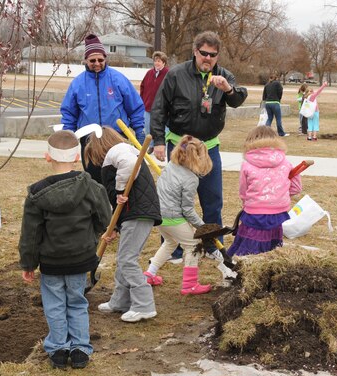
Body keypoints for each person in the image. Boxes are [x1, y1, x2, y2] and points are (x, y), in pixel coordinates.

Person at [150, 31, 248, 259]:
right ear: (195, 51)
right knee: (173, 201)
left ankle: (213, 247)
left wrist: (228, 89)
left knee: (212, 200)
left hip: (208, 148)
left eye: (213, 55)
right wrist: (157, 140)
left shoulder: (224, 76)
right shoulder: (175, 75)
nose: (208, 58)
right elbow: (158, 108)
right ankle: (173, 250)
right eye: (203, 53)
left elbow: (237, 100)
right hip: (180, 148)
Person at [19, 130, 112, 369]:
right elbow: (105, 218)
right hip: (81, 258)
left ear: (47, 157)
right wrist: (96, 235)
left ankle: (59, 348)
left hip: (51, 262)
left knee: (55, 304)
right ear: (78, 158)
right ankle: (80, 348)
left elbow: (30, 233)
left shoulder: (36, 194)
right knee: (77, 302)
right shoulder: (92, 187)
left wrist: (28, 264)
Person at [84, 126, 161, 322]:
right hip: (133, 213)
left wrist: (119, 190)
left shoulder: (119, 151)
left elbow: (129, 165)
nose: (97, 159)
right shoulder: (120, 151)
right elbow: (116, 203)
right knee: (123, 258)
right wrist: (114, 227)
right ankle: (120, 301)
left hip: (138, 213)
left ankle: (144, 305)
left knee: (127, 259)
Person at [144, 135, 236, 294]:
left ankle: (149, 274)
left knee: (170, 243)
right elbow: (187, 209)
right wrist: (203, 227)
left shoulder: (172, 165)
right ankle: (189, 285)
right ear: (197, 158)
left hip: (159, 215)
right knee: (193, 246)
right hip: (173, 217)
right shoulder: (191, 178)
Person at [61, 34, 145, 184]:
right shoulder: (78, 83)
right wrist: (68, 136)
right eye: (92, 60)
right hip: (89, 140)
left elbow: (135, 106)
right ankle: (98, 207)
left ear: (105, 59)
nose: (97, 63)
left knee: (117, 179)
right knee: (94, 181)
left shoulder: (118, 79)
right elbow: (69, 113)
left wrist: (139, 131)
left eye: (100, 60)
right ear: (86, 60)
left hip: (116, 137)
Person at [228, 126, 302, 256]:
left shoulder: (247, 164)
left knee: (250, 246)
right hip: (278, 212)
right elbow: (296, 187)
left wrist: (246, 202)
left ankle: (243, 266)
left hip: (254, 212)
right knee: (271, 247)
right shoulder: (285, 162)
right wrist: (279, 194)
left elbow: (243, 191)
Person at [139, 51, 169, 138]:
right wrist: (143, 101)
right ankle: (151, 145)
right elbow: (143, 87)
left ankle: (164, 146)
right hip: (148, 107)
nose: (157, 63)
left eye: (159, 61)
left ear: (164, 62)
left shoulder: (168, 74)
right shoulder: (149, 73)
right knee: (148, 128)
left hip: (162, 108)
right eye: (155, 61)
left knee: (163, 129)